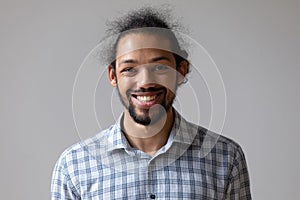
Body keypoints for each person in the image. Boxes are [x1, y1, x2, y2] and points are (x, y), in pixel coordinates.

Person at [51, 7, 251, 200]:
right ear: (113, 76)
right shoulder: (73, 165)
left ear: (181, 70)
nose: (145, 82)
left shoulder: (226, 157)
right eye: (129, 69)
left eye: (159, 67)